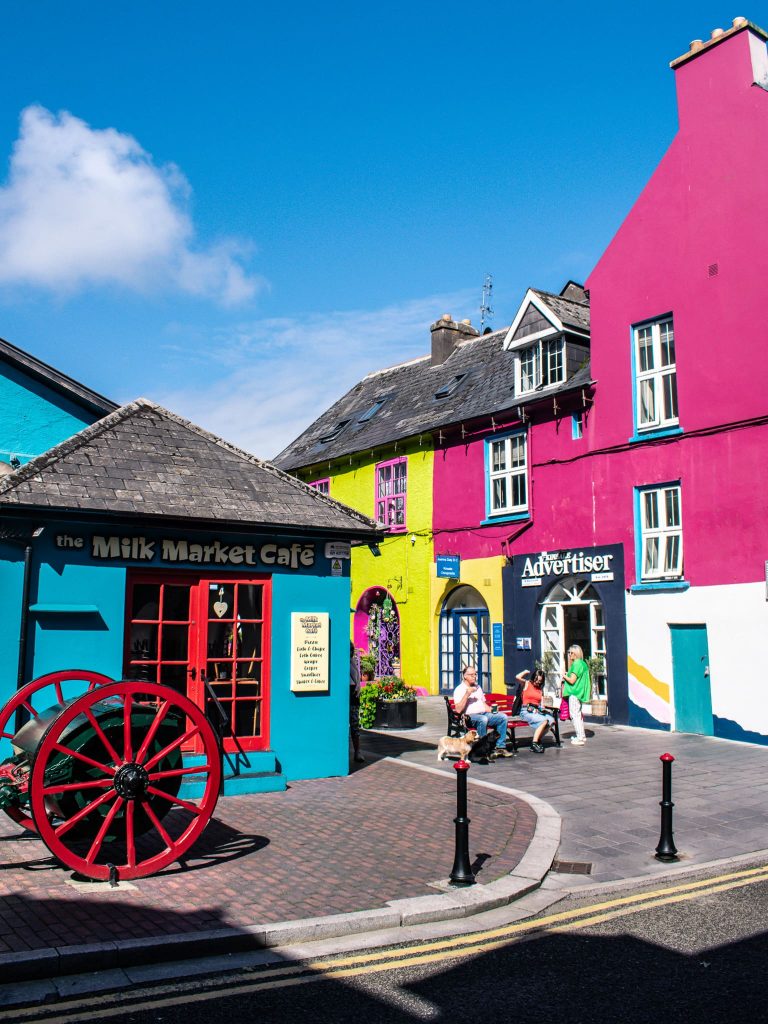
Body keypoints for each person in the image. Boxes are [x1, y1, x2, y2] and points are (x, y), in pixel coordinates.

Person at [452, 665, 511, 757]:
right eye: (471, 675)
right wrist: (467, 694)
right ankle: (482, 749)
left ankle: (500, 747)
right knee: (483, 719)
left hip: (483, 713)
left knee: (502, 717)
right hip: (469, 717)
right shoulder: (459, 689)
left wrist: (491, 709)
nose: (474, 677)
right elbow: (458, 710)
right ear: (465, 676)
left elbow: (482, 704)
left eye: (475, 674)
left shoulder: (478, 687)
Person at [515, 667, 555, 753]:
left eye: (540, 681)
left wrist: (543, 708)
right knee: (544, 721)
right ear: (534, 677)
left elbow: (541, 704)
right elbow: (517, 677)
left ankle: (537, 739)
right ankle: (534, 744)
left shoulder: (540, 690)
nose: (538, 682)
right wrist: (525, 672)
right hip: (526, 711)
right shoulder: (527, 684)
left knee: (551, 720)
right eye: (536, 680)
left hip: (537, 711)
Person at [561, 644, 591, 746]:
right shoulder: (583, 664)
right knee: (578, 715)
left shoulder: (576, 664)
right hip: (579, 693)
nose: (569, 655)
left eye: (571, 653)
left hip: (574, 693)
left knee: (575, 715)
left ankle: (580, 738)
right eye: (569, 653)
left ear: (576, 653)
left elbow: (572, 680)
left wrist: (564, 676)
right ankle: (582, 736)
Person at [350, 641, 365, 763]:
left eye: (351, 650)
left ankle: (357, 751)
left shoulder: (352, 663)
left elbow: (357, 680)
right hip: (347, 695)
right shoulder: (344, 663)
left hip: (353, 697)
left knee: (354, 724)